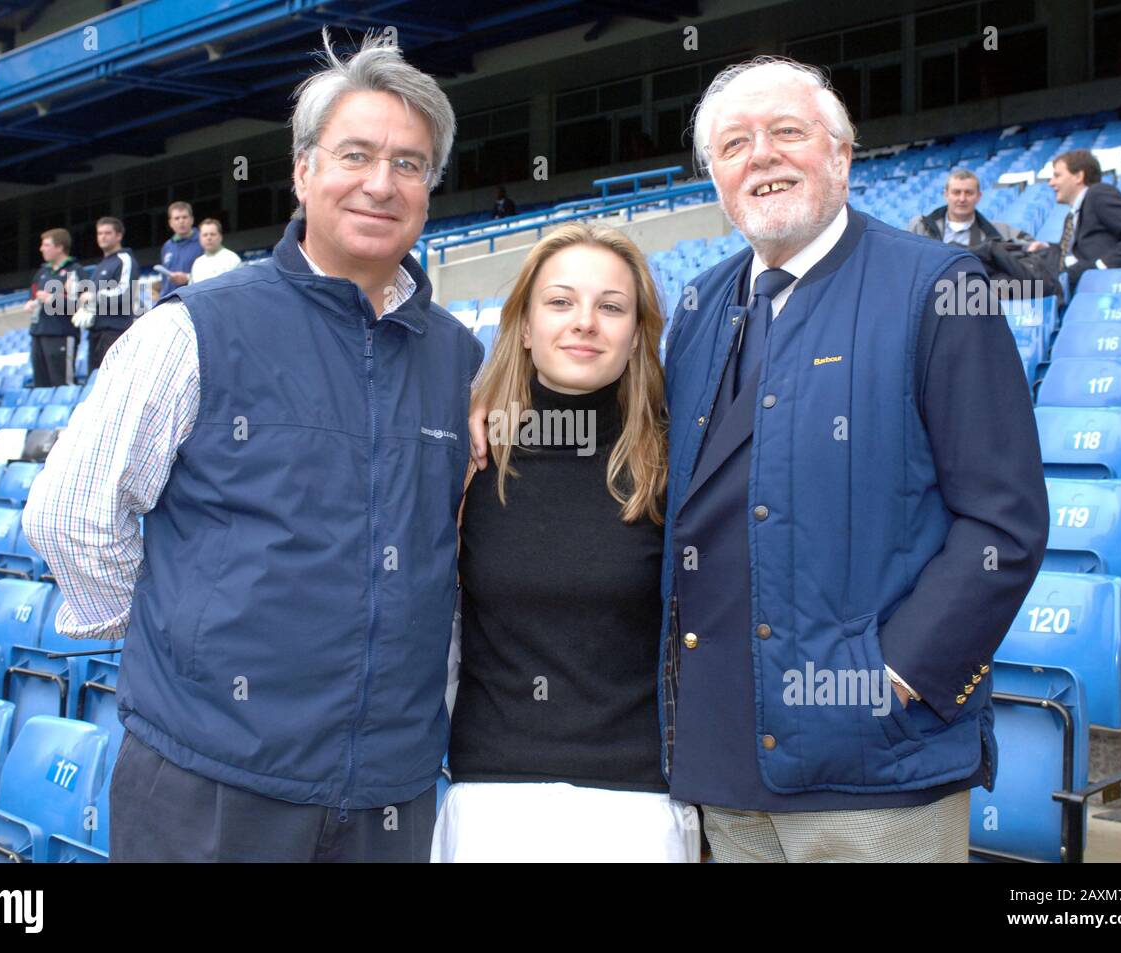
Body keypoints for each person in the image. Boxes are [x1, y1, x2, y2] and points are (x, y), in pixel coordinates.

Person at [476, 57, 1048, 862]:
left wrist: (895, 677)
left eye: (787, 132)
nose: (763, 156)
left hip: (872, 768)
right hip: (724, 765)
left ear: (842, 155)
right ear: (715, 178)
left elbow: (1006, 519)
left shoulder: (937, 286)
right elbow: (624, 426)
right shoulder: (704, 304)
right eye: (736, 144)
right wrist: (493, 407)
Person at [23, 31, 480, 863]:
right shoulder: (194, 328)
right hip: (211, 786)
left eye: (410, 164)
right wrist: (187, 643)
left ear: (430, 187)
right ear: (303, 170)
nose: (382, 183)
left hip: (392, 791)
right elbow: (70, 513)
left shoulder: (460, 356)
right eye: (356, 155)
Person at [434, 223, 698, 863]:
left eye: (611, 307)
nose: (585, 322)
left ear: (637, 334)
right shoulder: (465, 455)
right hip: (489, 804)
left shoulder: (680, 462)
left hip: (640, 810)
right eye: (560, 302)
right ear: (523, 326)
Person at [1025, 149, 1121, 289]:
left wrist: (1102, 266)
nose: (1051, 183)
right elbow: (1078, 249)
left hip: (1109, 284)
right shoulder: (1072, 215)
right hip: (1079, 282)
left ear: (1079, 176)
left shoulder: (1098, 193)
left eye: (1057, 176)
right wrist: (1049, 247)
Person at [75, 217, 140, 371]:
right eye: (100, 233)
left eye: (107, 233)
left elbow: (125, 293)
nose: (103, 237)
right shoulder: (101, 265)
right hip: (96, 331)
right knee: (95, 383)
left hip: (114, 332)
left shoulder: (124, 260)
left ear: (118, 236)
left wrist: (94, 297)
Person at [908, 169, 1034, 247]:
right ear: (946, 195)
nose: (962, 199)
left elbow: (1029, 245)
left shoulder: (997, 231)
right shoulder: (920, 226)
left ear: (979, 196)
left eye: (968, 193)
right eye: (956, 192)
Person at [23, 228, 79, 387]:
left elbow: (79, 306)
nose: (41, 249)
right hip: (38, 334)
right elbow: (32, 295)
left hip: (61, 334)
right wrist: (30, 304)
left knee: (62, 384)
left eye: (46, 245)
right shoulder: (42, 272)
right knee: (41, 385)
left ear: (60, 247)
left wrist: (52, 299)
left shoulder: (74, 271)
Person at [155, 201, 203, 297]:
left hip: (193, 299)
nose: (181, 221)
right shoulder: (167, 246)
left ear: (192, 220)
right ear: (170, 223)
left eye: (184, 217)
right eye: (177, 218)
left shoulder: (203, 240)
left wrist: (187, 278)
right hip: (169, 300)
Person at [189, 218, 242, 284]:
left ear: (220, 237)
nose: (209, 238)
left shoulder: (232, 259)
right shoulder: (197, 263)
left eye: (212, 234)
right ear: (200, 238)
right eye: (205, 235)